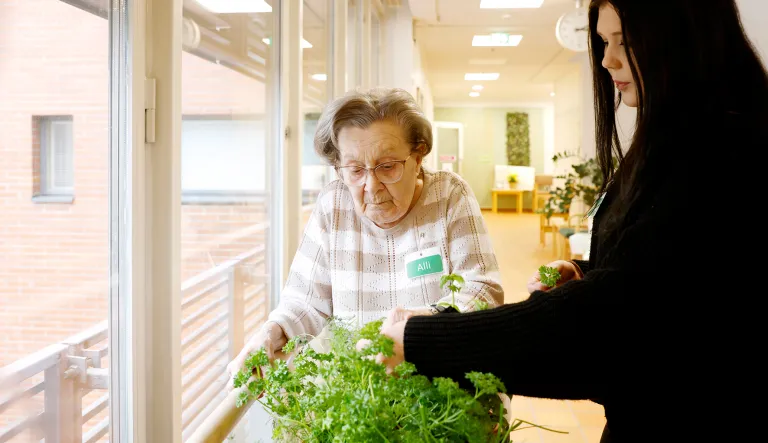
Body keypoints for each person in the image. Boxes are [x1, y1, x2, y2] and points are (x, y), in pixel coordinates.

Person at [375, 1, 768, 442]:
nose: (607, 59)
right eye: (603, 42)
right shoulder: (668, 139)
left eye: (626, 42)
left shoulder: (724, 155)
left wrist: (424, 340)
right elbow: (658, 279)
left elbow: (612, 325)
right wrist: (586, 273)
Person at [227, 88, 504, 381]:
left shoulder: (448, 194)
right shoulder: (333, 204)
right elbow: (305, 300)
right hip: (360, 386)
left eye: (387, 167)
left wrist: (421, 328)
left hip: (436, 382)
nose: (371, 186)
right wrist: (270, 334)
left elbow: (483, 290)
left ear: (418, 156)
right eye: (355, 169)